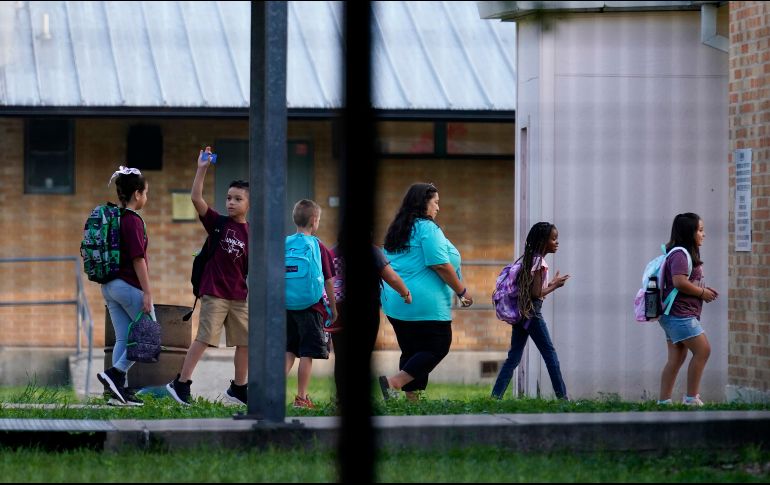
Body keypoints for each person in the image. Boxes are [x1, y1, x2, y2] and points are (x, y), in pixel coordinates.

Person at [167, 148, 250, 406]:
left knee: (246, 341)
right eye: (228, 198)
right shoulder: (218, 223)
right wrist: (202, 168)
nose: (231, 202)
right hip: (214, 292)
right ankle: (181, 383)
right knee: (204, 339)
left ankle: (239, 388)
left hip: (239, 296)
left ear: (249, 204)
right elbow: (196, 198)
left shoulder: (252, 233)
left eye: (238, 199)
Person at [377, 183, 472, 401]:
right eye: (435, 202)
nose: (438, 207)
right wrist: (462, 291)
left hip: (396, 302)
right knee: (438, 346)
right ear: (423, 203)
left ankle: (413, 403)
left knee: (412, 351)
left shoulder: (398, 228)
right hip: (425, 303)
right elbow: (440, 264)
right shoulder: (427, 228)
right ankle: (393, 382)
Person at [490, 222, 570, 400]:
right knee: (550, 355)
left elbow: (532, 290)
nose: (557, 242)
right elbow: (536, 294)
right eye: (553, 239)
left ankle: (495, 397)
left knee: (513, 358)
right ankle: (563, 398)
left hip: (521, 313)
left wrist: (550, 283)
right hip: (532, 314)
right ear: (542, 241)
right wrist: (555, 286)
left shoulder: (528, 259)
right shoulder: (540, 262)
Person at [326, 242, 411, 403]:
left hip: (339, 311)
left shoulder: (331, 253)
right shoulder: (372, 251)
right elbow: (391, 277)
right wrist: (405, 293)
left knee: (341, 356)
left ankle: (341, 397)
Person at [97, 166, 154, 406]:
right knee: (149, 335)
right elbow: (138, 259)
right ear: (137, 194)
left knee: (123, 338)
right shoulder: (132, 221)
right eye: (146, 192)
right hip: (128, 285)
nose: (146, 197)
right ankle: (116, 374)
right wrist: (147, 292)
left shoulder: (115, 217)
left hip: (109, 286)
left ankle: (116, 393)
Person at [657, 213, 717, 406]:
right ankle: (691, 398)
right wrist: (702, 293)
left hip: (673, 314)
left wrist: (703, 291)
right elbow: (679, 282)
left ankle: (664, 402)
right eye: (700, 230)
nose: (703, 234)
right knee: (703, 350)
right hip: (679, 314)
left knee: (676, 358)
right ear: (688, 232)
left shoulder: (681, 254)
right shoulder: (680, 255)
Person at [285, 199, 338, 409]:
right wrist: (333, 308)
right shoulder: (318, 246)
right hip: (311, 307)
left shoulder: (285, 243)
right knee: (307, 353)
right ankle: (301, 398)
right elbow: (329, 281)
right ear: (314, 220)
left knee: (289, 350)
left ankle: (271, 396)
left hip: (287, 306)